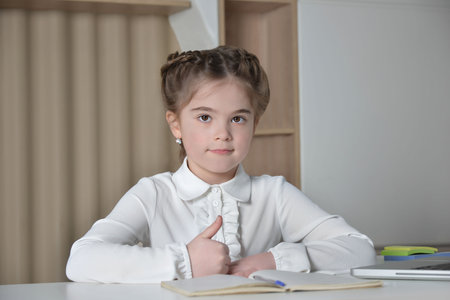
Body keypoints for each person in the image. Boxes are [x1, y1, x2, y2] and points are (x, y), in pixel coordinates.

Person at [66, 45, 376, 283]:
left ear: (255, 124)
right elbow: (81, 260)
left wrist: (275, 260)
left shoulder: (274, 194)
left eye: (238, 119)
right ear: (175, 125)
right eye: (204, 117)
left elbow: (360, 248)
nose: (223, 134)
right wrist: (183, 262)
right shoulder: (153, 194)